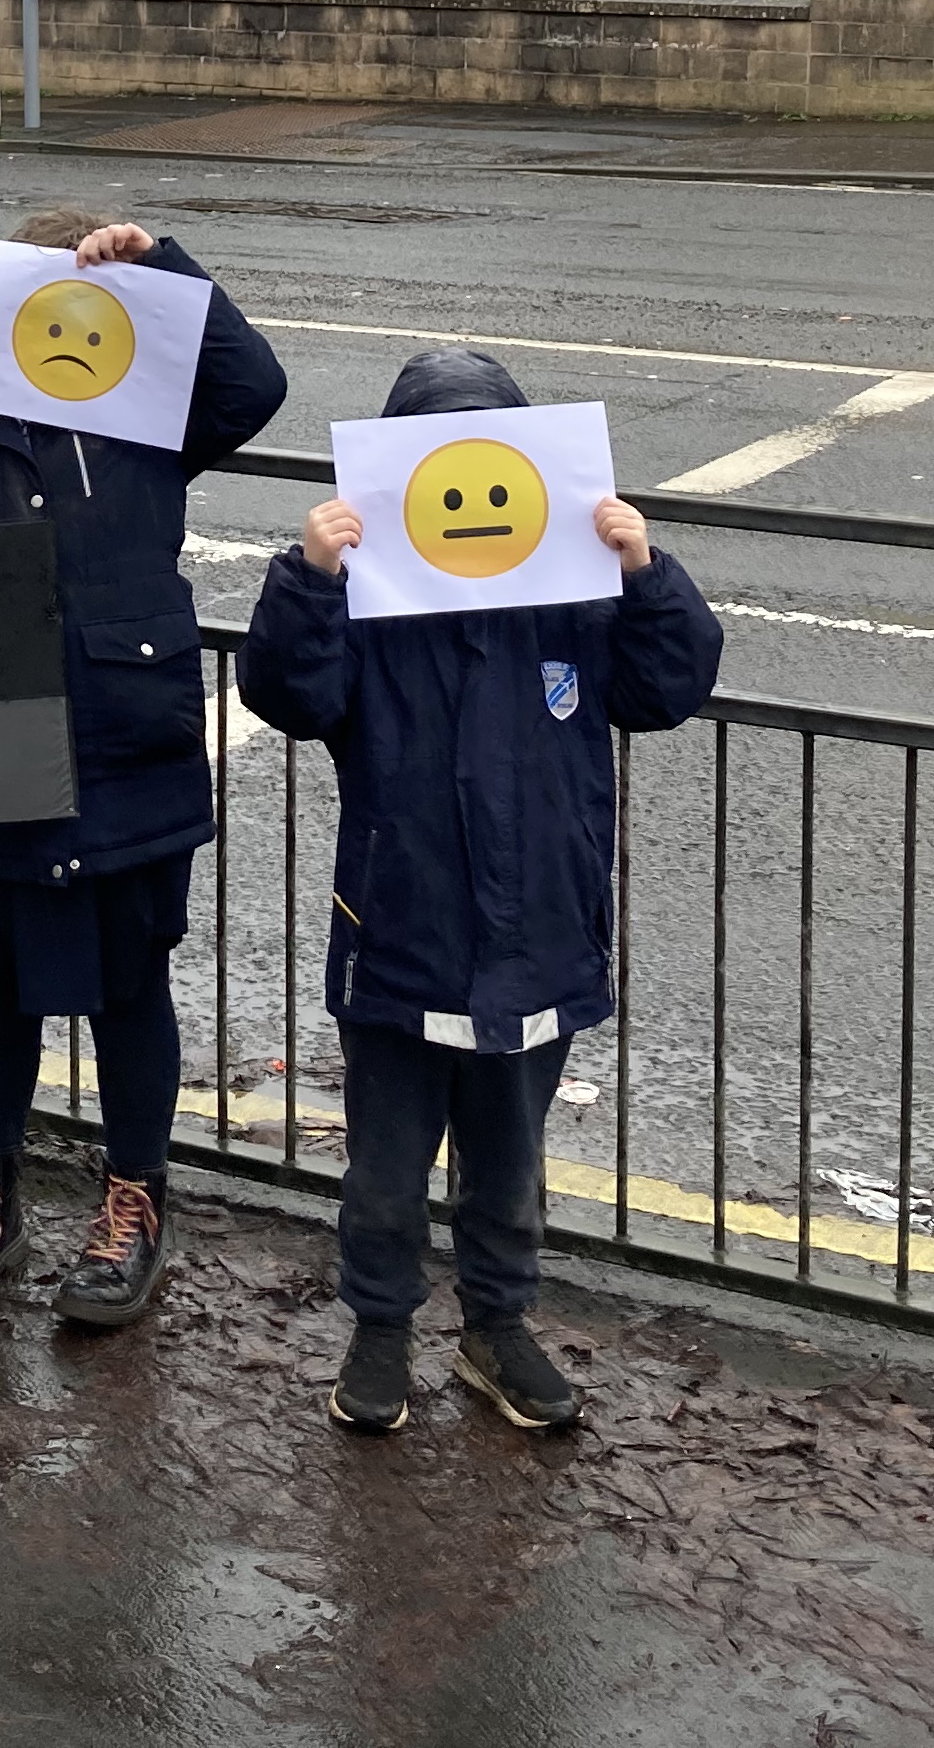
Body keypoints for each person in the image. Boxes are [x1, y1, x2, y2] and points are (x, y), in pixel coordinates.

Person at [236, 349, 726, 1435]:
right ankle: (380, 1331)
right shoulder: (368, 597)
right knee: (386, 1169)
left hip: (538, 938)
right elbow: (289, 696)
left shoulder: (575, 603)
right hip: (401, 935)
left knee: (508, 1169)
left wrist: (646, 571)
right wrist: (307, 582)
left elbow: (669, 687)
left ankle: (497, 1328)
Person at [0, 205, 288, 1329]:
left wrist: (164, 261)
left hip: (124, 737)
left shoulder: (146, 419)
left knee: (132, 985)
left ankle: (134, 1199)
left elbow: (258, 386)